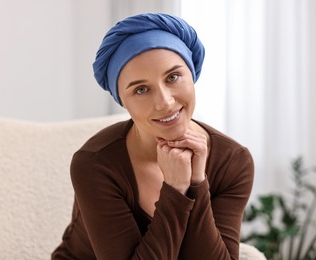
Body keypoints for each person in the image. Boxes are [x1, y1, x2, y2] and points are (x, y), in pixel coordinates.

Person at [52, 13, 254, 260]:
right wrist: (175, 189)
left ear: (193, 75)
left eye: (173, 77)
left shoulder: (233, 161)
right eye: (141, 89)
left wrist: (197, 183)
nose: (165, 102)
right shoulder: (95, 164)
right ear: (123, 102)